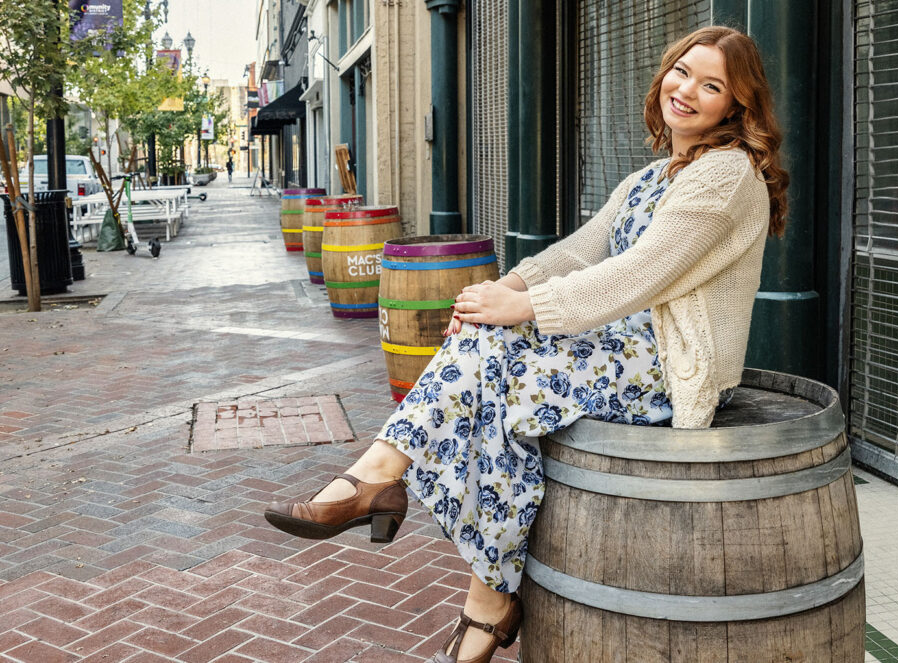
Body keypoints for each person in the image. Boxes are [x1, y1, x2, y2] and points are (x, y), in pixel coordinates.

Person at [265, 25, 788, 663]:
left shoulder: (727, 174)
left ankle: (383, 486)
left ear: (736, 106)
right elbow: (580, 250)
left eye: (712, 86)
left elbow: (638, 273)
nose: (687, 91)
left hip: (671, 363)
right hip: (621, 348)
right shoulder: (659, 173)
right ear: (664, 75)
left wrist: (522, 306)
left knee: (495, 355)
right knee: (495, 368)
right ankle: (471, 586)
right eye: (682, 72)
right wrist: (504, 287)